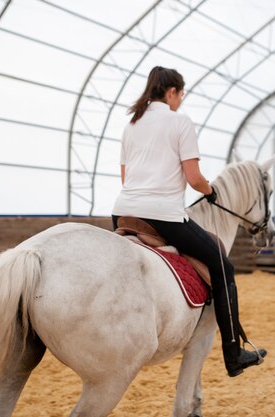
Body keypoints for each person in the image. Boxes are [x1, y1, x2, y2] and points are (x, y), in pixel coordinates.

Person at [112, 66, 266, 377]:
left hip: (123, 211)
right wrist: (210, 191)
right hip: (163, 215)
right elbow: (194, 178)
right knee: (223, 267)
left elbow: (126, 178)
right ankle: (234, 353)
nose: (181, 100)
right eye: (181, 94)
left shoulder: (132, 124)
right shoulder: (180, 121)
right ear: (171, 92)